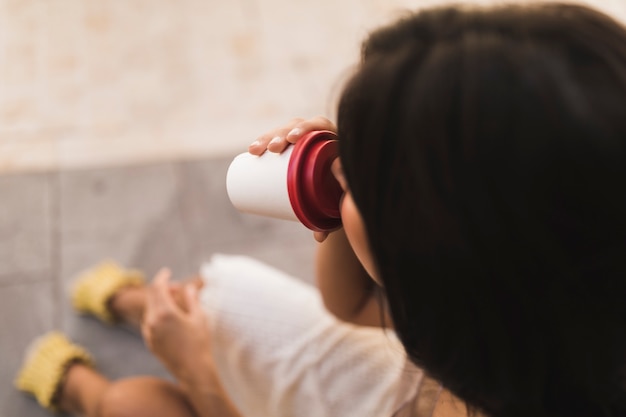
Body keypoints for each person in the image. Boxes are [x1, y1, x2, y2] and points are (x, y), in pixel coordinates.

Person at [15, 2, 626, 416]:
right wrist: (335, 212)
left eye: (362, 180)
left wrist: (203, 377)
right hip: (398, 383)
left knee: (140, 403)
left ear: (443, 275)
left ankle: (86, 392)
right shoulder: (539, 313)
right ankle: (145, 305)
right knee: (218, 295)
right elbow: (353, 305)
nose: (341, 166)